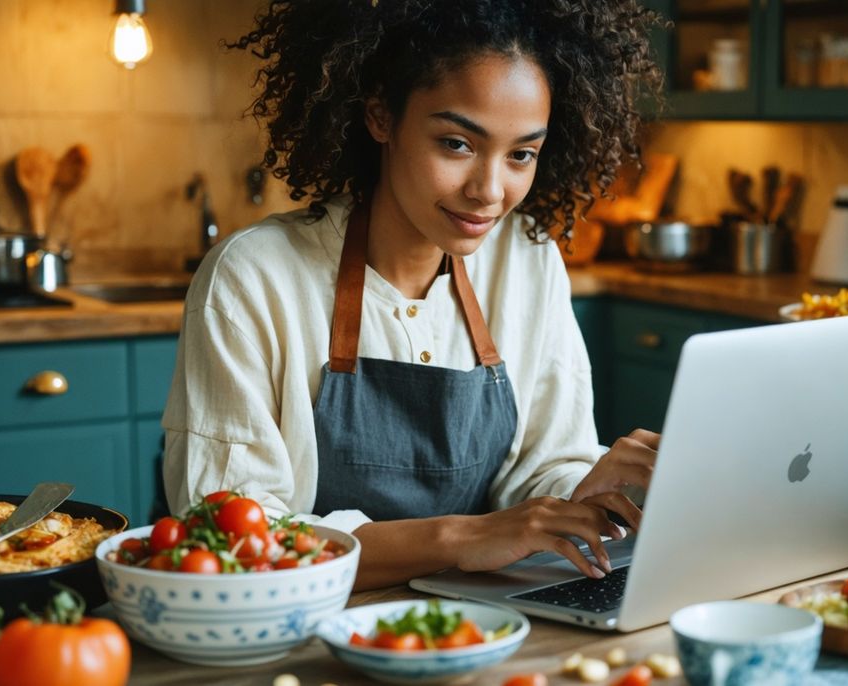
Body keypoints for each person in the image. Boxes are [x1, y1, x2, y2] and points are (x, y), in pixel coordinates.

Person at [162, 0, 664, 590]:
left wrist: (585, 492)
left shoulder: (529, 261)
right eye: (456, 144)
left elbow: (540, 469)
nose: (489, 191)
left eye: (521, 154)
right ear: (380, 117)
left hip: (485, 624)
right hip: (301, 626)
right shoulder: (254, 278)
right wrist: (463, 537)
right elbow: (228, 535)